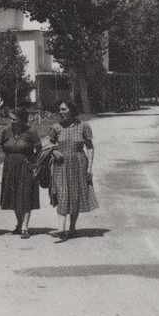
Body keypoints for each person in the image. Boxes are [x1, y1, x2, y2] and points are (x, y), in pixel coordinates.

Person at [48, 100, 98, 241]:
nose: (61, 112)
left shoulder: (83, 126)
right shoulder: (56, 127)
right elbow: (49, 144)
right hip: (60, 164)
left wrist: (89, 168)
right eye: (60, 109)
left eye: (64, 109)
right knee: (62, 193)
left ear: (71, 110)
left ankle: (72, 227)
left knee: (75, 196)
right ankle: (61, 228)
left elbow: (90, 147)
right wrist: (54, 151)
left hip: (78, 164)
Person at [0, 107, 42, 239]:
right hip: (10, 166)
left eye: (14, 119)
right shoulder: (6, 131)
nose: (12, 122)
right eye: (10, 119)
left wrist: (34, 164)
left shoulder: (31, 132)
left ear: (22, 120)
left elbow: (39, 149)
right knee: (13, 196)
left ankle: (25, 227)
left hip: (26, 166)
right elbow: (1, 145)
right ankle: (18, 224)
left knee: (26, 195)